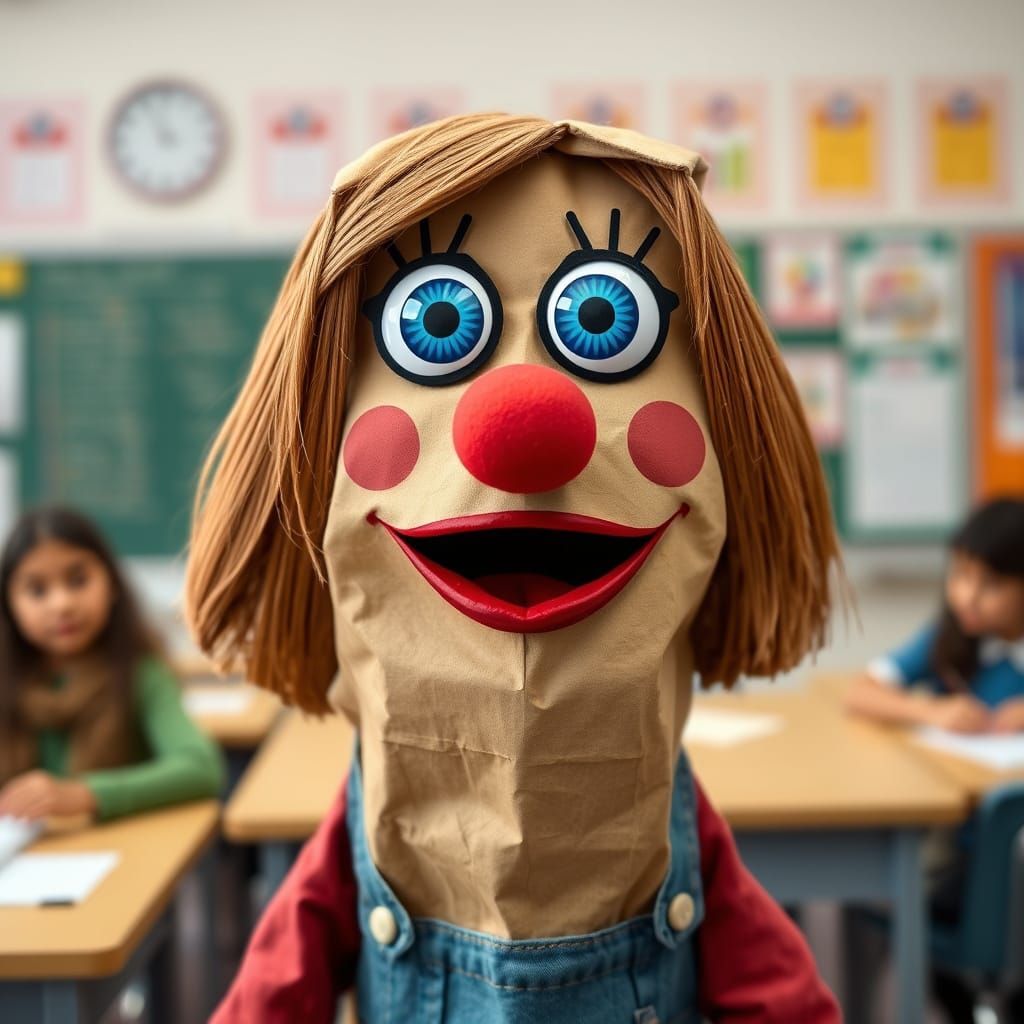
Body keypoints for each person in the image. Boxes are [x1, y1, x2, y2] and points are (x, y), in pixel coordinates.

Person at [186, 114, 842, 1021]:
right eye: (438, 322)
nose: (527, 423)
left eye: (604, 318)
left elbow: (774, 990)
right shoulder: (376, 819)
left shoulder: (667, 823)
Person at [846, 496, 1024, 1024]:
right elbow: (861, 692)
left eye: (989, 583)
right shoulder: (953, 640)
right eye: (960, 576)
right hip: (969, 867)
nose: (967, 595)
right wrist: (933, 710)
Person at [0, 505, 224, 822]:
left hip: (124, 853)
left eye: (78, 580)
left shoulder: (140, 673)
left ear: (112, 584)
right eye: (37, 590)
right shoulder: (7, 681)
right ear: (9, 606)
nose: (61, 604)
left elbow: (202, 769)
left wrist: (83, 795)